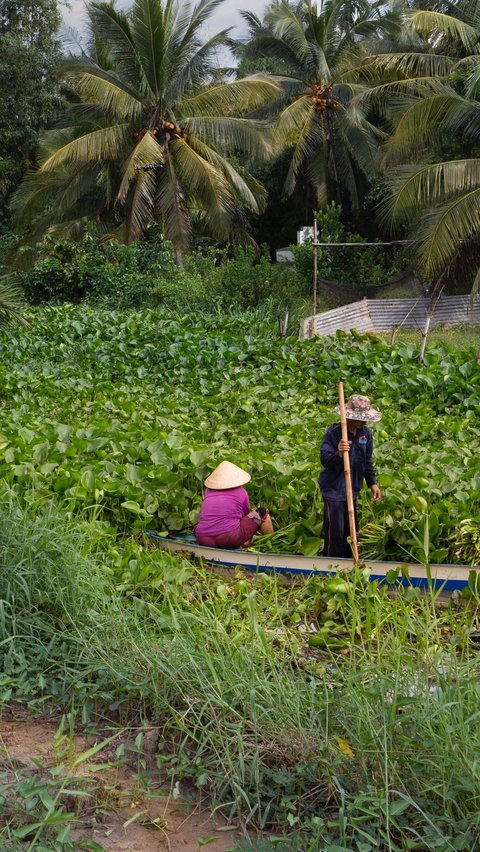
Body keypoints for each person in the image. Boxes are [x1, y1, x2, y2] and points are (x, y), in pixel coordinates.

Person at [318, 394, 382, 558]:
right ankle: (331, 562)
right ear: (351, 418)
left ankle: (349, 561)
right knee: (336, 531)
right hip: (333, 489)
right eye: (361, 418)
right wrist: (338, 453)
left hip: (352, 487)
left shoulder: (365, 434)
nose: (365, 421)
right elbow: (325, 459)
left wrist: (372, 483)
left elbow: (367, 461)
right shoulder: (334, 433)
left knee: (350, 529)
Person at [195, 460, 273, 549]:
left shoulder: (208, 491)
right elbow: (246, 515)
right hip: (228, 539)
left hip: (203, 539)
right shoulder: (241, 492)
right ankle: (271, 545)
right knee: (262, 512)